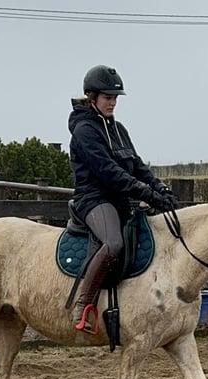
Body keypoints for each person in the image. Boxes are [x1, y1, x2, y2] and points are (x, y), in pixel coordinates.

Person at [68, 64, 178, 333]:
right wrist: (146, 194)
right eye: (108, 97)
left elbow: (137, 166)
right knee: (114, 243)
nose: (113, 102)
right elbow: (109, 173)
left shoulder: (118, 129)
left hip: (119, 200)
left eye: (115, 98)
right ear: (92, 97)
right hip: (94, 199)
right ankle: (83, 306)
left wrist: (160, 189)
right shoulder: (84, 131)